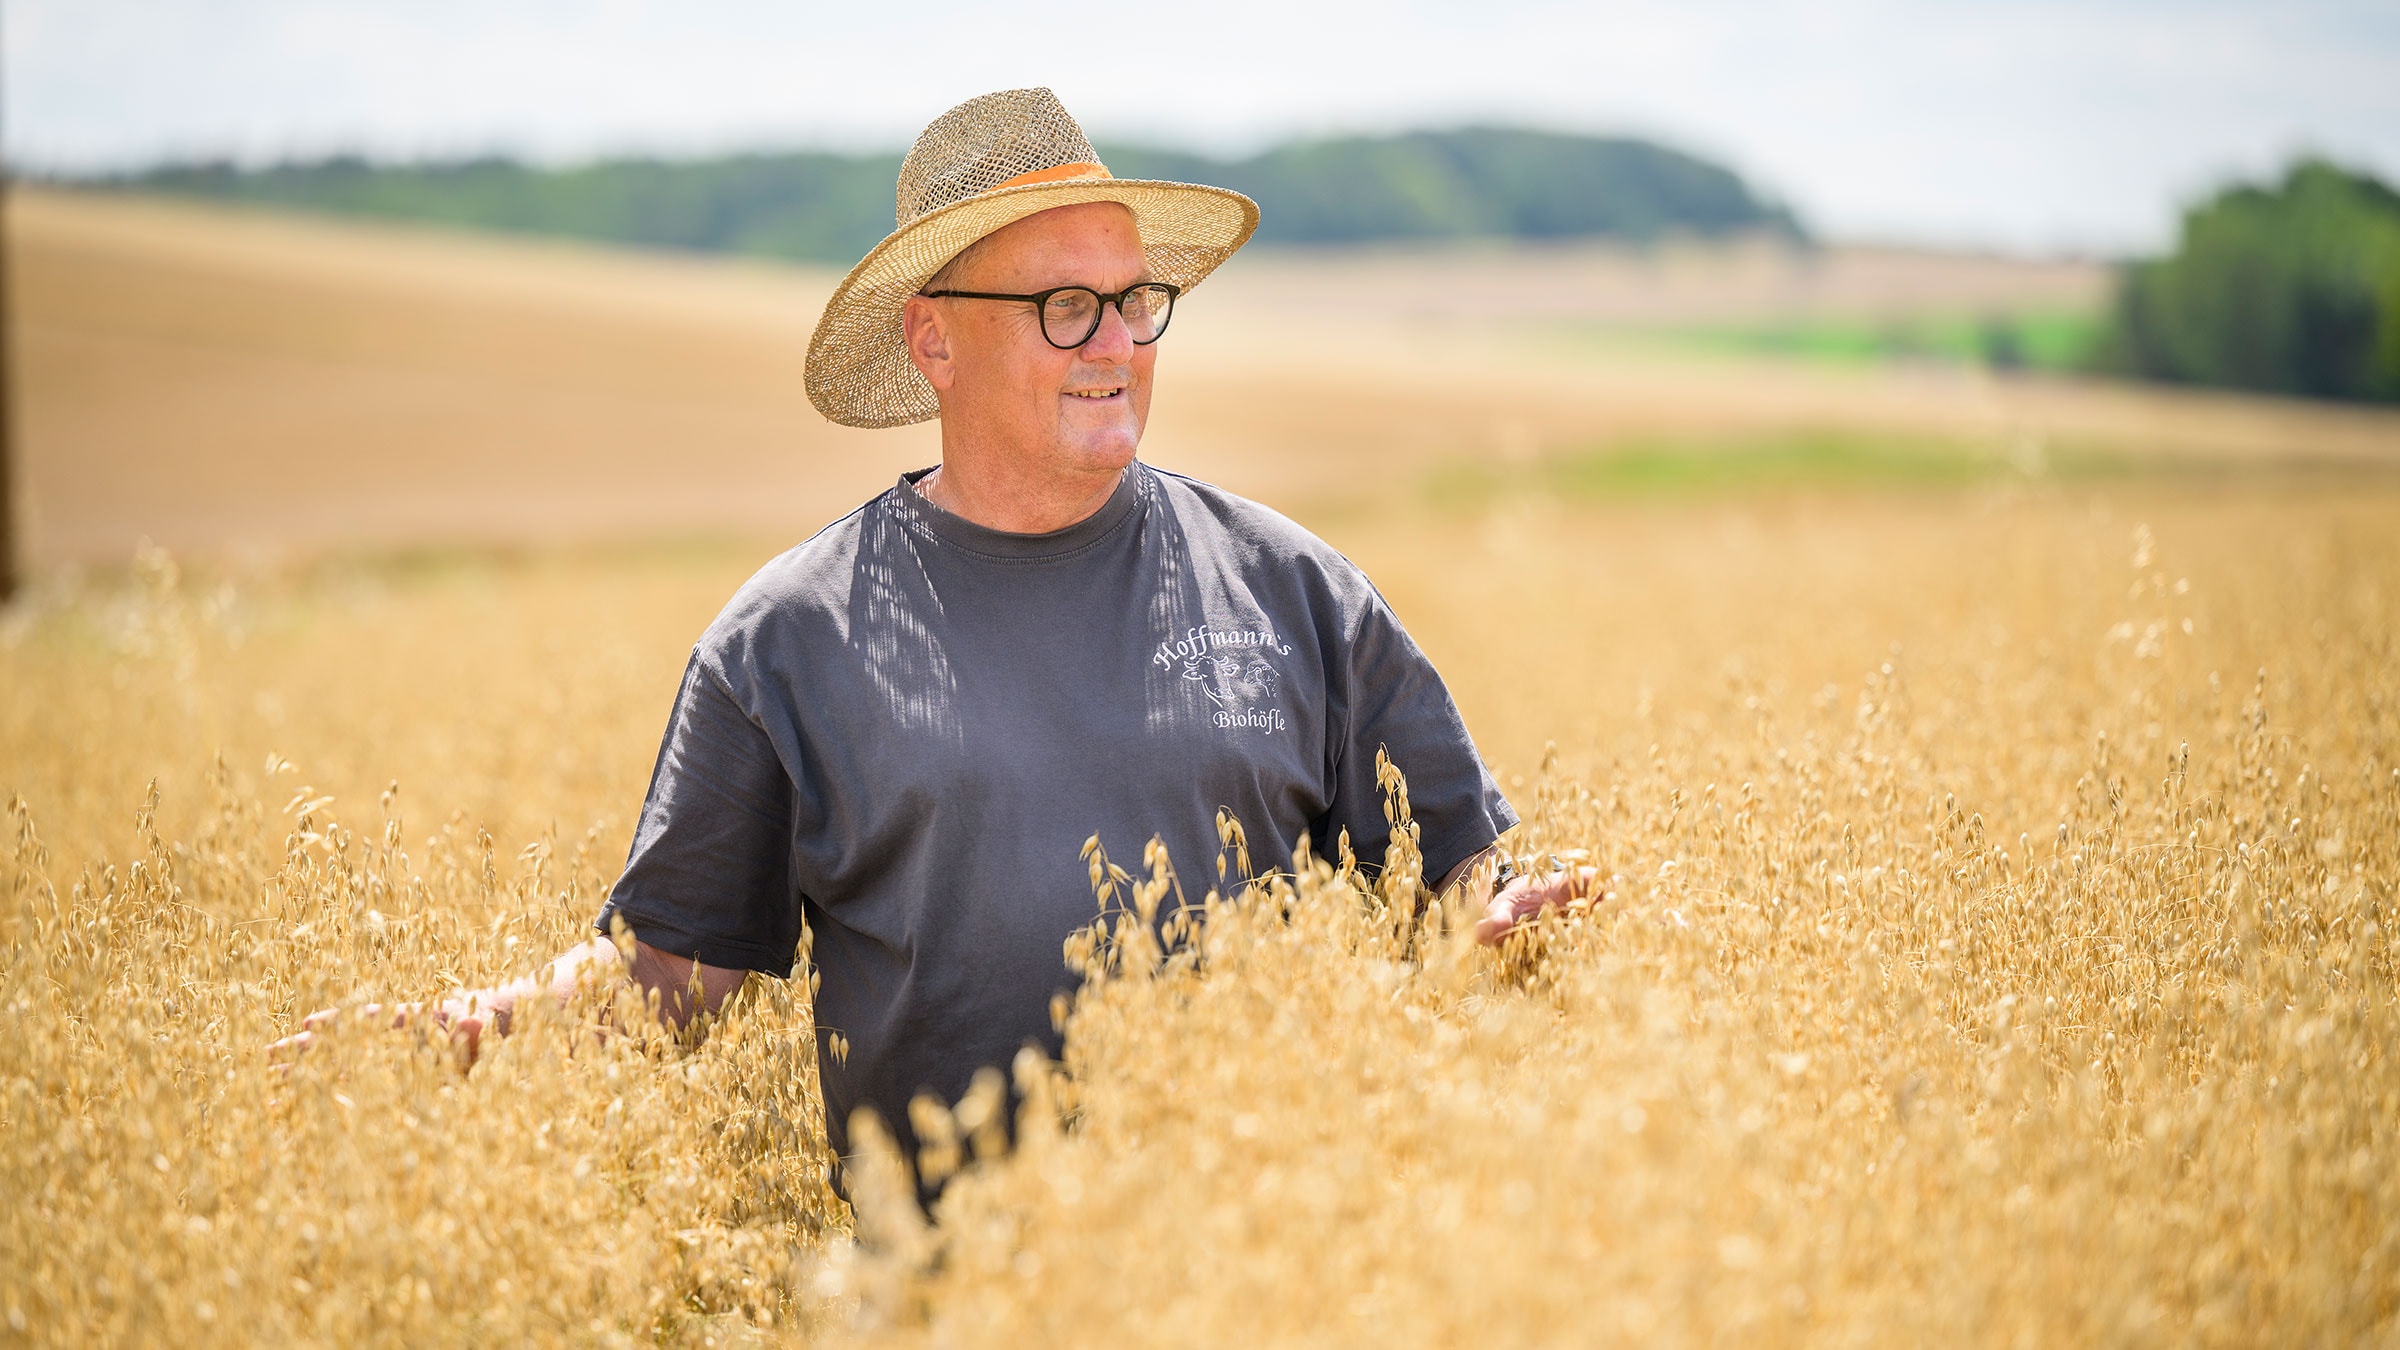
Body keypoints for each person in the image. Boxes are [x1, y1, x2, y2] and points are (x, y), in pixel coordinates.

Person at [277, 88, 1592, 1184]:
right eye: (1063, 307)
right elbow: (674, 976)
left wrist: (1495, 927)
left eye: (1136, 301)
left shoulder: (1291, 588)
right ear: (932, 340)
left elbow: (1456, 874)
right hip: (947, 1299)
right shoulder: (787, 643)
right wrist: (478, 1028)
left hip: (1266, 1272)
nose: (1117, 345)